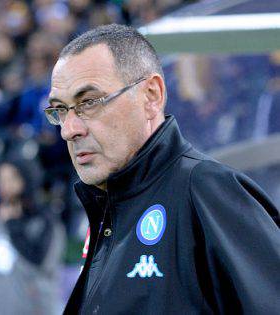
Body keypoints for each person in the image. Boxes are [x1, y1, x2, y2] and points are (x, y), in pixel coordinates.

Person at [44, 24, 280, 314]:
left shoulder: (206, 189)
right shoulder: (109, 206)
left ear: (151, 95)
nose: (69, 130)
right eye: (60, 110)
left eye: (89, 102)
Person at [0, 159, 66, 315]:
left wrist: (13, 226)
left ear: (27, 180)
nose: (3, 185)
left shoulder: (46, 223)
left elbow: (41, 265)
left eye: (12, 178)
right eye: (0, 179)